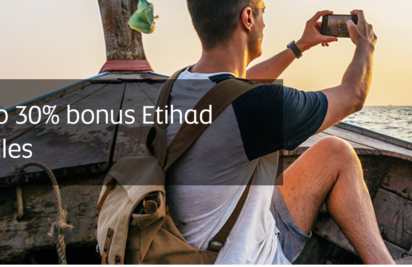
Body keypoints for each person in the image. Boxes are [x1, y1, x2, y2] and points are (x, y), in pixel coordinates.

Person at [163, 0, 388, 264]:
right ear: (247, 18)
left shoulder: (177, 84)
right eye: (262, 12)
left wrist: (299, 46)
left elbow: (237, 86)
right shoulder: (254, 108)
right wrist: (365, 45)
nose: (264, 23)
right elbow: (353, 96)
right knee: (342, 156)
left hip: (192, 248)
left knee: (335, 151)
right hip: (245, 258)